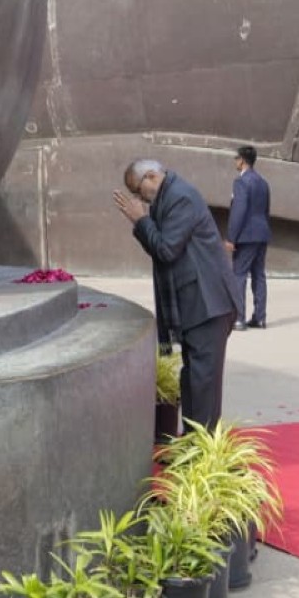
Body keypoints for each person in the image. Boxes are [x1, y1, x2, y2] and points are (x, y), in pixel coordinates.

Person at [114, 159, 236, 431]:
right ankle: (193, 445)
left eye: (137, 190)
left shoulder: (180, 198)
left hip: (209, 303)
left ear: (151, 177)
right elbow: (161, 250)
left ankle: (205, 454)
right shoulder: (170, 197)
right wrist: (144, 223)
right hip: (197, 303)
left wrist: (141, 220)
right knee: (192, 379)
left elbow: (166, 249)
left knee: (203, 382)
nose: (138, 198)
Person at [225, 144, 271, 330]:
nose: (235, 162)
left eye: (236, 158)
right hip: (262, 234)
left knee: (239, 275)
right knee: (259, 275)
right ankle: (259, 318)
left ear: (242, 160)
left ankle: (239, 318)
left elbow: (239, 211)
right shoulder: (263, 182)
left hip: (245, 236)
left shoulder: (241, 182)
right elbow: (266, 210)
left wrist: (231, 238)